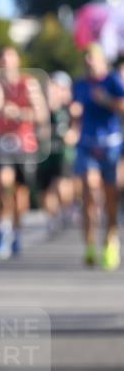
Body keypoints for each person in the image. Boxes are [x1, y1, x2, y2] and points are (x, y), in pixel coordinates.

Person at [0, 45, 48, 259]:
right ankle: (2, 228)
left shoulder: (28, 83)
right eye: (2, 60)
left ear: (16, 61)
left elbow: (41, 114)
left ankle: (16, 230)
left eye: (9, 60)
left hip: (23, 143)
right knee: (2, 182)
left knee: (19, 193)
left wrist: (19, 113)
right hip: (0, 143)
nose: (5, 64)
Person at [72, 44, 124, 270]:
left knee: (111, 199)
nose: (89, 62)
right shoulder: (80, 84)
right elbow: (75, 110)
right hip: (86, 144)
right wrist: (73, 121)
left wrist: (106, 100)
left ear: (102, 60)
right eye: (86, 58)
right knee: (90, 191)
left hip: (110, 145)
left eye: (92, 57)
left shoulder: (112, 81)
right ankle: (89, 244)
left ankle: (110, 241)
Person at [36, 71, 78, 236]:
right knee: (45, 192)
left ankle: (67, 208)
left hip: (62, 152)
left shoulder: (69, 108)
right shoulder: (42, 107)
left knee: (60, 185)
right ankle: (53, 217)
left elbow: (76, 125)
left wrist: (73, 134)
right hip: (45, 153)